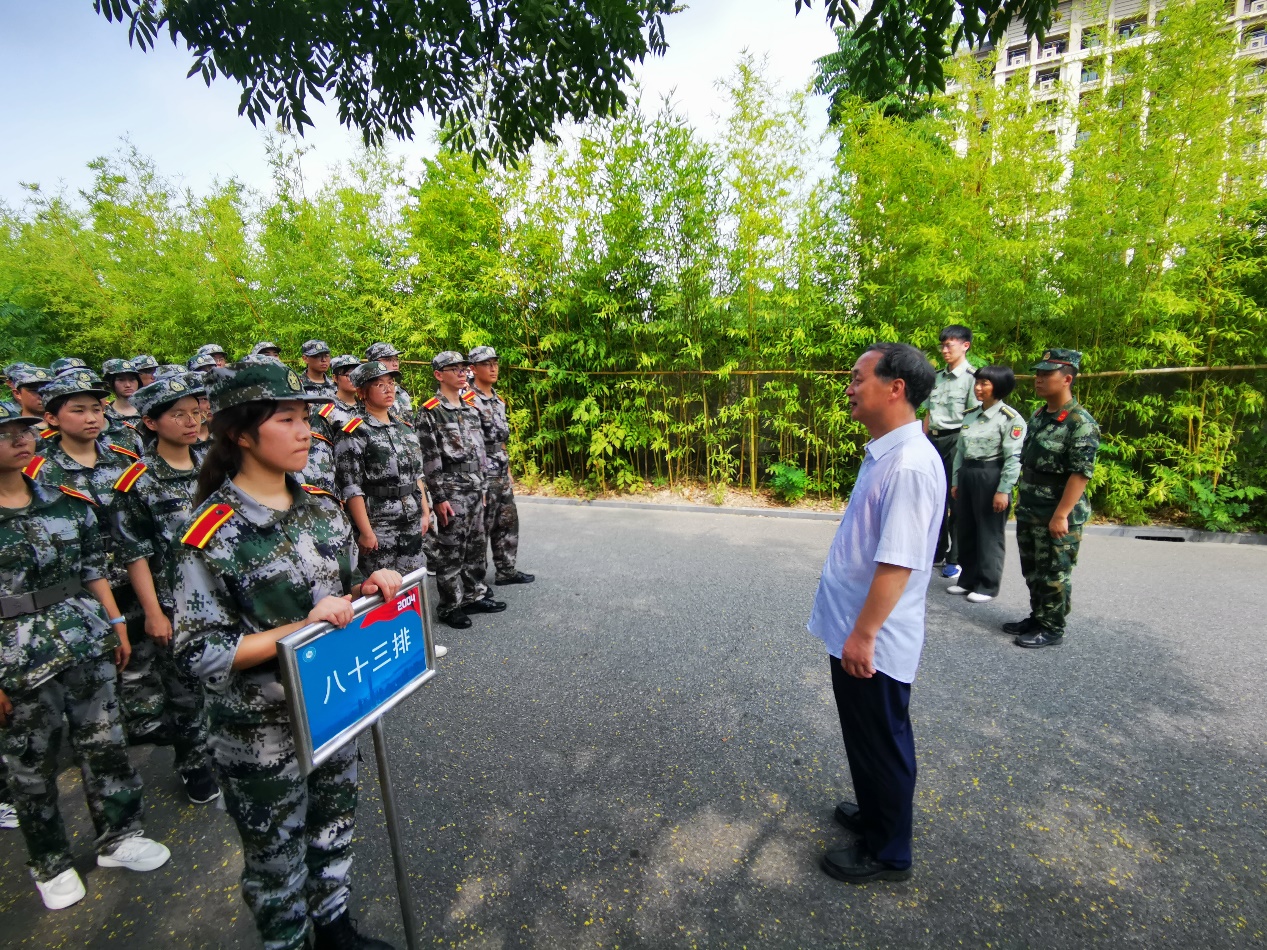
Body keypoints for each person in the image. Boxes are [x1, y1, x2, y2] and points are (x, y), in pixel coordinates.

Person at [170, 358, 399, 950]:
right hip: (260, 730)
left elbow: (339, 599)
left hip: (330, 706)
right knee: (276, 860)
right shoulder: (210, 533)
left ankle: (335, 927)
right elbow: (200, 653)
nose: (306, 432)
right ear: (241, 435)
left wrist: (370, 591)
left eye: (306, 418)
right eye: (288, 420)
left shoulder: (321, 506)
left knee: (333, 828)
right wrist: (302, 627)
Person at [0, 402, 171, 911]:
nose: (20, 440)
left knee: (105, 744)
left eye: (22, 430)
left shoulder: (63, 501)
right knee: (32, 765)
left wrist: (116, 625)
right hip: (16, 656)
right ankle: (50, 862)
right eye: (5, 434)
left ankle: (120, 836)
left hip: (83, 636)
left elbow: (92, 569)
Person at [807, 343, 943, 884]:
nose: (849, 388)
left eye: (858, 378)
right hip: (856, 626)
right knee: (865, 735)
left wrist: (864, 635)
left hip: (875, 637)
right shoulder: (887, 452)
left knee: (882, 740)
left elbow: (898, 562)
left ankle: (889, 853)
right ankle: (876, 812)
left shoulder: (908, 465)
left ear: (895, 388)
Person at [31, 372, 171, 746]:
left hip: (137, 572)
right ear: (52, 418)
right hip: (80, 586)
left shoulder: (124, 457)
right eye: (78, 410)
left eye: (96, 409)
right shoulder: (38, 472)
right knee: (101, 662)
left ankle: (145, 719)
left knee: (145, 650)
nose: (91, 418)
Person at [113, 377, 220, 804]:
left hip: (221, 592)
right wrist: (154, 613)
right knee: (184, 691)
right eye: (178, 415)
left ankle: (228, 752)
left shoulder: (212, 464)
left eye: (195, 412)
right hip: (174, 601)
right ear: (150, 422)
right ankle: (194, 766)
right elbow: (134, 553)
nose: (191, 422)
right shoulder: (137, 481)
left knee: (224, 679)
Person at [1004, 349, 1101, 649]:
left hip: (1057, 511)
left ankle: (1053, 627)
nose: (1039, 379)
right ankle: (1038, 617)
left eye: (1047, 374)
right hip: (1032, 506)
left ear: (1067, 379)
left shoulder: (1080, 422)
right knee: (1033, 569)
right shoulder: (1040, 415)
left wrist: (1061, 515)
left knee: (1054, 572)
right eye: (1038, 374)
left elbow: (1080, 474)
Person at [415, 351, 505, 629]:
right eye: (453, 369)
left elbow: (480, 452)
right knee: (452, 549)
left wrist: (484, 486)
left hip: (476, 485)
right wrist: (438, 498)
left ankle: (474, 594)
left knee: (476, 546)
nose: (461, 372)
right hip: (451, 488)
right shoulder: (431, 411)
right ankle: (450, 605)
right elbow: (430, 459)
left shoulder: (470, 408)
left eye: (463, 368)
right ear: (438, 375)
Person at [333, 361, 433, 580]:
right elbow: (351, 487)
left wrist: (425, 512)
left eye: (391, 383)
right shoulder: (354, 432)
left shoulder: (404, 429)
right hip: (379, 526)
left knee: (412, 583)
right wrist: (366, 532)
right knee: (383, 587)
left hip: (411, 520)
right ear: (362, 392)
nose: (389, 389)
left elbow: (417, 475)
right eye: (379, 385)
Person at [947, 365, 1026, 603]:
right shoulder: (970, 414)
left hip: (991, 475)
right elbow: (960, 452)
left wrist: (1003, 490)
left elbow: (1013, 458)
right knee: (966, 529)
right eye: (977, 383)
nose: (978, 388)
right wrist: (956, 481)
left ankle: (987, 585)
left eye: (984, 384)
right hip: (968, 473)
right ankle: (967, 580)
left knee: (989, 533)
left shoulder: (1010, 419)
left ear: (999, 386)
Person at [467, 347, 533, 586]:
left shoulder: (498, 400)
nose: (493, 368)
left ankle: (507, 570)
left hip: (500, 469)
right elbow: (469, 443)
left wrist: (508, 470)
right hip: (481, 471)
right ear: (473, 369)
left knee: (507, 522)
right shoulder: (468, 401)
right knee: (480, 527)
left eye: (495, 363)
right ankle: (476, 583)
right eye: (487, 364)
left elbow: (502, 440)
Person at [922, 325, 978, 581]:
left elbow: (974, 419)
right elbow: (928, 412)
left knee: (956, 499)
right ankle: (937, 550)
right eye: (942, 345)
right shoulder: (936, 378)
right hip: (934, 440)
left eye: (949, 345)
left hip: (957, 440)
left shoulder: (972, 378)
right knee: (934, 499)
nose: (944, 350)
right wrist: (923, 441)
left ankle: (955, 558)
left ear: (965, 346)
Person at [101, 359, 145, 455]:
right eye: (121, 380)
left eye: (132, 379)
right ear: (110, 383)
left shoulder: (151, 411)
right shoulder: (103, 416)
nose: (128, 385)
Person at [365, 342, 412, 415]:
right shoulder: (367, 392)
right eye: (388, 360)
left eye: (396, 359)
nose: (395, 364)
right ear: (374, 363)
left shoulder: (401, 393)